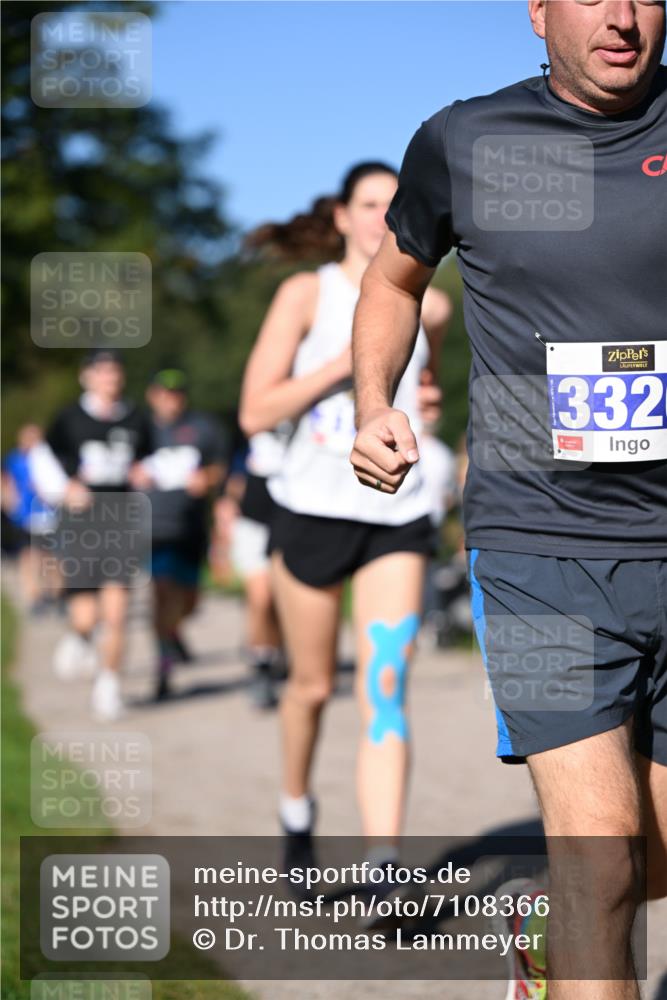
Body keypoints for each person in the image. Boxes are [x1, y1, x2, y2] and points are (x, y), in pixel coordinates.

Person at [350, 3, 666, 997]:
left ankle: (541, 923)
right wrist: (373, 403)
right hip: (537, 543)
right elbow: (394, 280)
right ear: (537, 10)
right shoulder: (470, 139)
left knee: (642, 867)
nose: (620, 17)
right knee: (599, 857)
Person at [239, 162, 450, 888]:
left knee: (385, 684)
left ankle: (383, 863)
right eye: (367, 205)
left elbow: (427, 394)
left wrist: (423, 402)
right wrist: (342, 368)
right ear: (339, 215)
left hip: (394, 515)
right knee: (310, 686)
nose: (379, 218)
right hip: (311, 512)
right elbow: (254, 412)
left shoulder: (430, 305)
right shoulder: (305, 293)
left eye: (393, 205)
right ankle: (295, 810)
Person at [34, 349, 152, 720]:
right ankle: (80, 636)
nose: (110, 379)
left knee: (117, 613)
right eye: (102, 372)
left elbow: (148, 459)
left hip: (120, 521)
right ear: (87, 377)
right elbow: (42, 458)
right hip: (81, 525)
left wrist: (144, 473)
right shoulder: (69, 418)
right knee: (87, 615)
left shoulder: (134, 418)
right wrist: (64, 490)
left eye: (115, 372)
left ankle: (109, 685)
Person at [135, 368, 227, 701]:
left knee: (188, 601)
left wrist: (208, 478)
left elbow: (220, 466)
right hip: (151, 527)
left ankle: (172, 632)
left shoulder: (203, 427)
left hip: (190, 527)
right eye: (163, 393)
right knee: (161, 594)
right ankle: (163, 668)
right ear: (152, 395)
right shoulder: (138, 430)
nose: (170, 400)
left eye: (176, 394)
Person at [230, 428, 291, 710]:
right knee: (261, 597)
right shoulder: (252, 419)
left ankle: (277, 651)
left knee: (282, 599)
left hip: (293, 517)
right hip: (254, 519)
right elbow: (233, 474)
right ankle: (261, 665)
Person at [1, 424, 59, 614]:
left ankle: (55, 593)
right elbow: (6, 481)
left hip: (49, 514)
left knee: (51, 556)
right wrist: (10, 502)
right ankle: (33, 596)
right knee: (28, 556)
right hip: (24, 515)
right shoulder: (14, 459)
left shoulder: (48, 459)